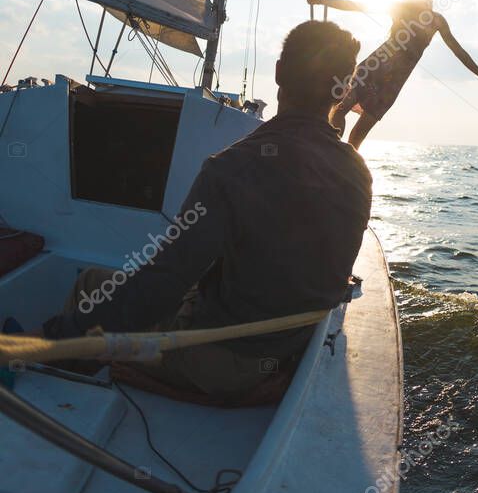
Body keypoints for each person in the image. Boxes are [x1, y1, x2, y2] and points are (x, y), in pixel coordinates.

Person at [42, 20, 372, 402]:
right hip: (291, 352)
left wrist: (55, 336)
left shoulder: (233, 167)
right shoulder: (358, 171)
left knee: (90, 286)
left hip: (221, 364)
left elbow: (159, 289)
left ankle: (57, 378)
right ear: (344, 88)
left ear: (279, 71)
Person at [308, 0, 478, 149]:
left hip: (392, 83)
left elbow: (458, 51)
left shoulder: (436, 20)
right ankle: (330, 150)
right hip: (374, 67)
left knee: (358, 135)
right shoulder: (399, 8)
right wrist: (321, 1)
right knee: (341, 109)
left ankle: (343, 167)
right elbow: (357, 5)